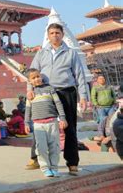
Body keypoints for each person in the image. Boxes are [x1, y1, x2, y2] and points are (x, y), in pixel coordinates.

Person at [26, 23, 88, 175]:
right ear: (48, 36)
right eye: (52, 33)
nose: (55, 35)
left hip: (66, 92)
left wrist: (84, 96)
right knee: (39, 125)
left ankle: (72, 162)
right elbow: (32, 73)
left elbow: (79, 75)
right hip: (44, 92)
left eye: (57, 32)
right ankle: (35, 158)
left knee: (69, 127)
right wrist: (30, 90)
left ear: (62, 34)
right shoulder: (41, 53)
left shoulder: (71, 53)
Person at [25, 68, 68, 177]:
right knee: (41, 148)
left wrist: (62, 118)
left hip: (52, 122)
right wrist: (26, 123)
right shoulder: (30, 94)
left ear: (41, 77)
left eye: (38, 76)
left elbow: (58, 104)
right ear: (29, 81)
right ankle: (45, 168)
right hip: (38, 125)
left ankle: (54, 168)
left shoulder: (50, 89)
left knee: (54, 147)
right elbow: (28, 109)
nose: (36, 79)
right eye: (33, 78)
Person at [91, 75, 117, 141]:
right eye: (100, 78)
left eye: (103, 78)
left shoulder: (109, 87)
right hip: (101, 107)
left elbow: (113, 95)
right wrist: (96, 104)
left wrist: (114, 102)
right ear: (97, 80)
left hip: (110, 107)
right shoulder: (95, 88)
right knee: (102, 120)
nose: (102, 79)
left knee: (112, 120)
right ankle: (101, 135)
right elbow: (93, 97)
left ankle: (112, 133)